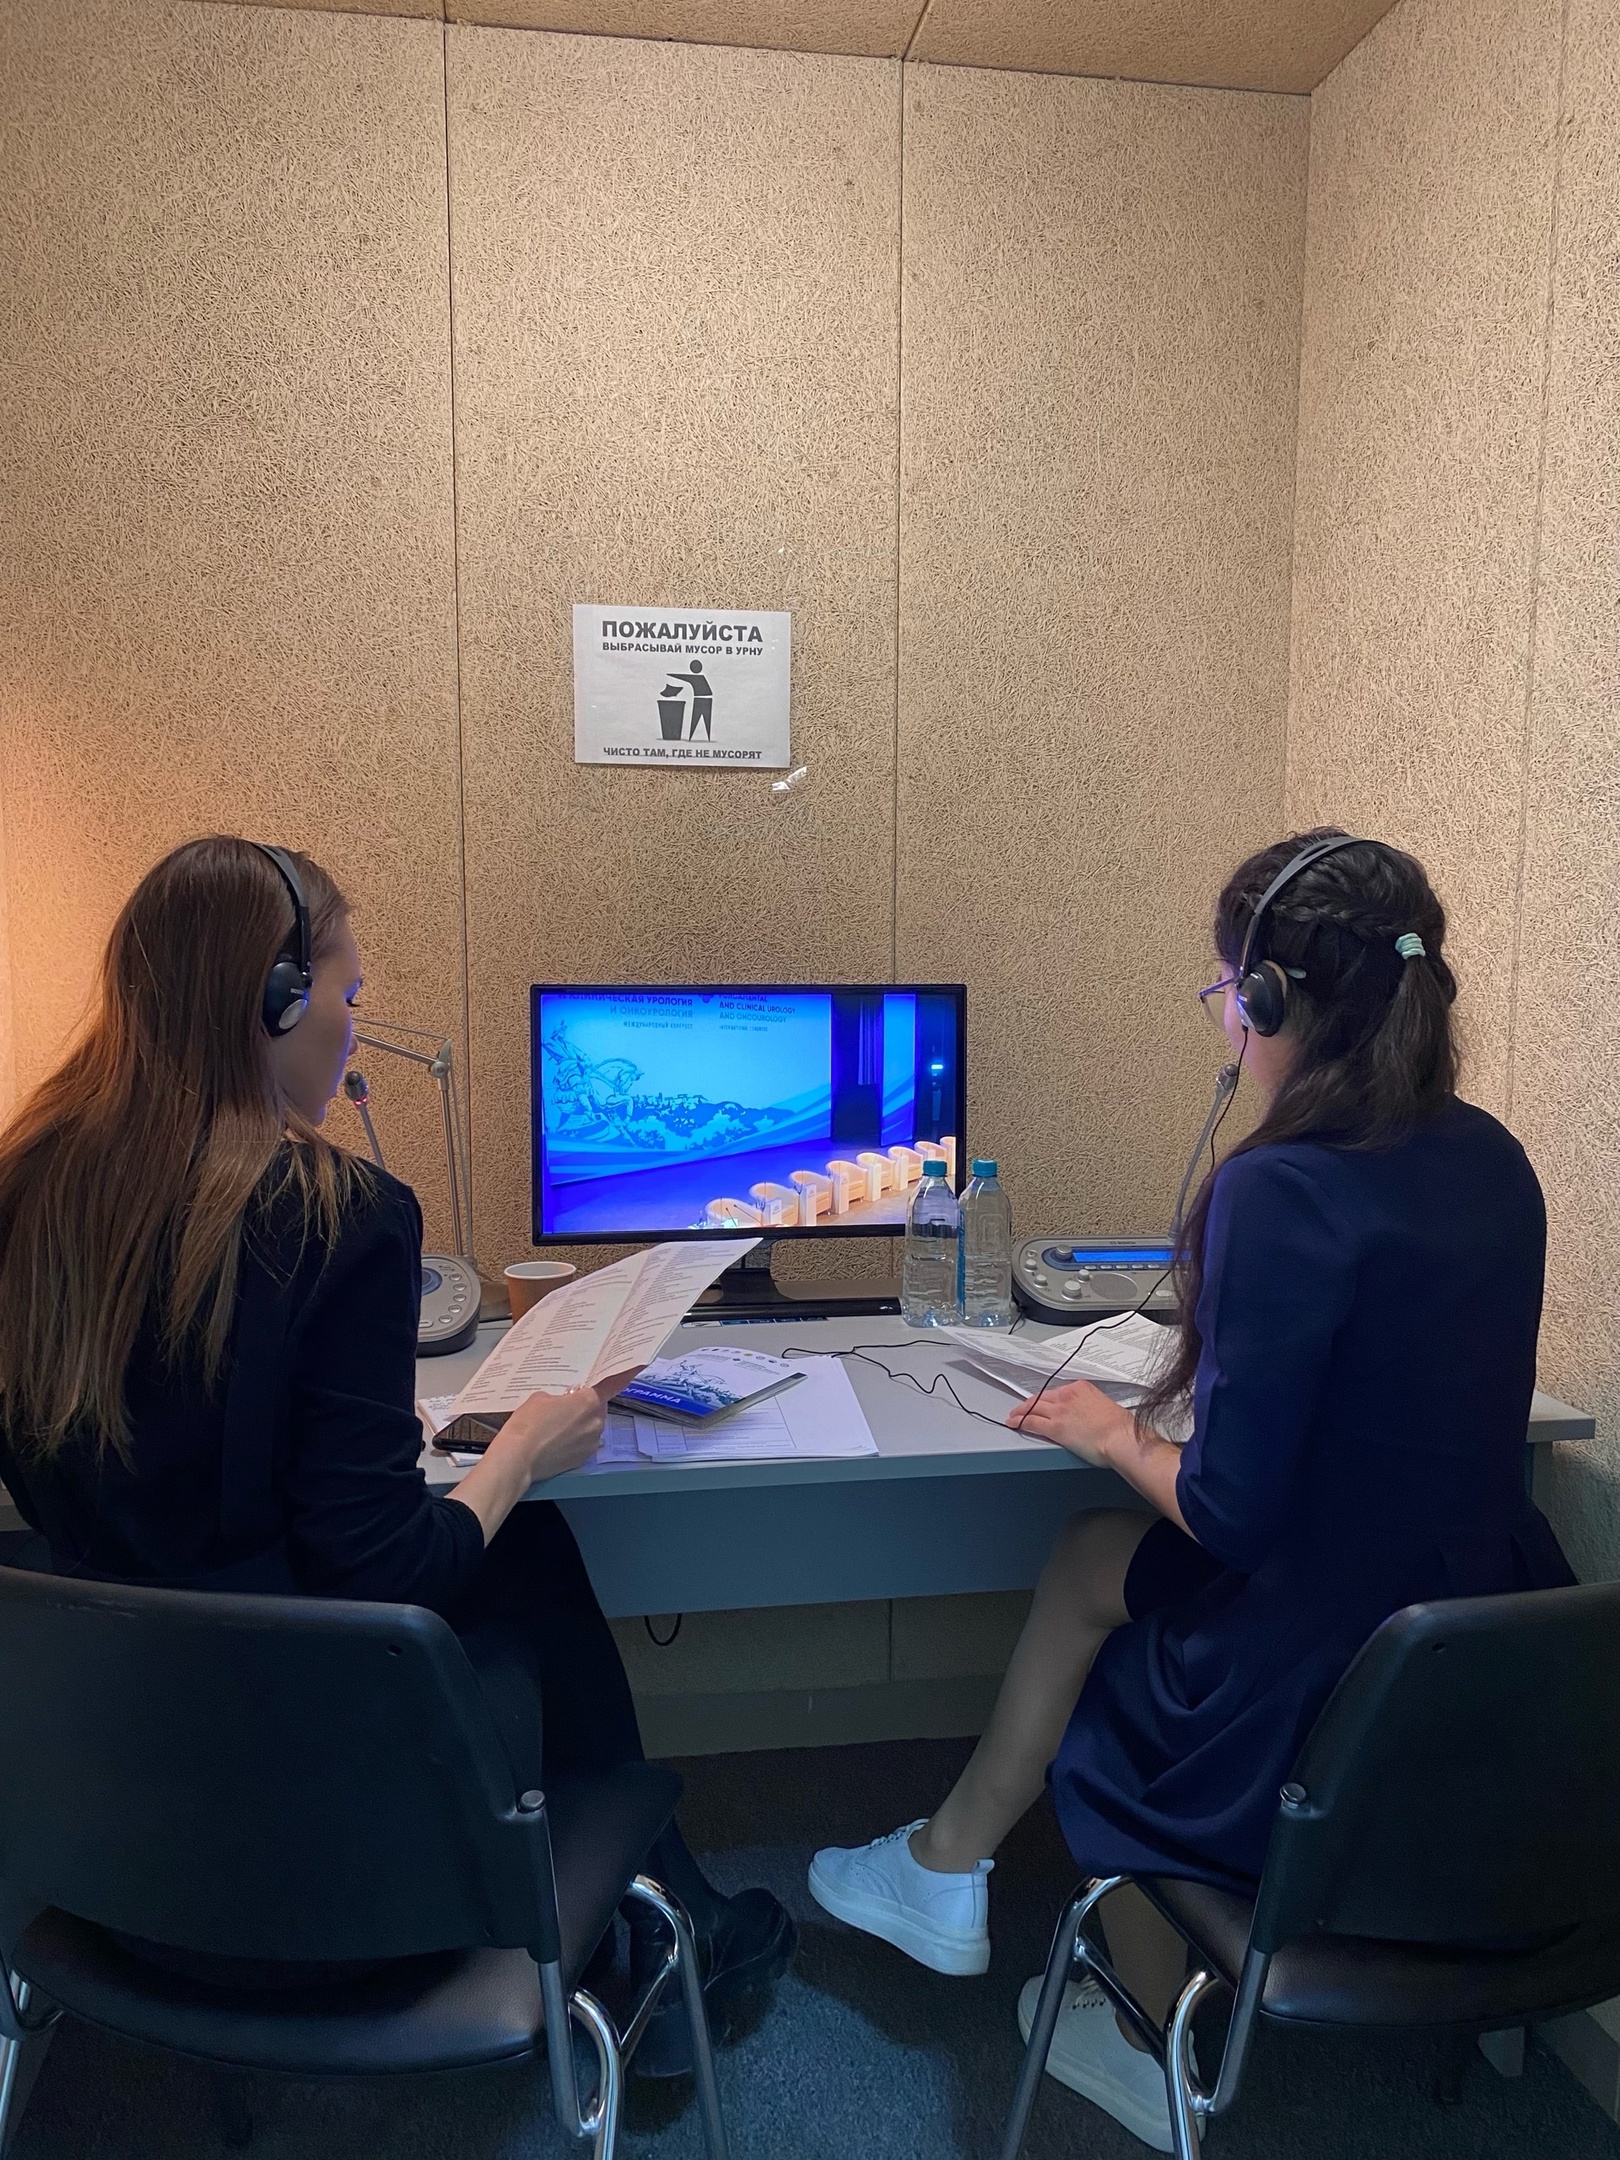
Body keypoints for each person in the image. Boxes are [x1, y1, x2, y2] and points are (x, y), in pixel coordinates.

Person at [809, 830, 1575, 2151]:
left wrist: (1115, 1430)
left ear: (1270, 999)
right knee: (1092, 1557)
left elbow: (1232, 1511)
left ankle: (1127, 2031)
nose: (1225, 1016)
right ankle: (945, 1863)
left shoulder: (1279, 1189)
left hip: (1320, 1660)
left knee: (1125, 1669)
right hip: (1473, 1635)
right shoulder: (1491, 1158)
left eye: (1229, 987)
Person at [0, 836, 793, 2072]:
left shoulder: (30, 1190)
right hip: (350, 1880)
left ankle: (665, 1918)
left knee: (521, 1554)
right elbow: (381, 1566)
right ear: (276, 1002)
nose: (354, 1029)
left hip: (113, 1851)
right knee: (527, 1543)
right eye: (349, 995)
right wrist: (518, 1450)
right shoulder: (337, 1217)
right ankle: (658, 1933)